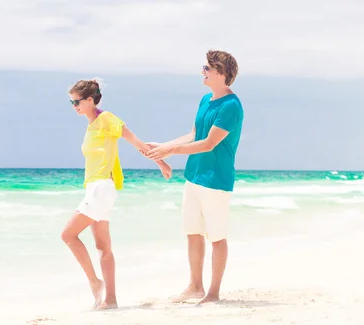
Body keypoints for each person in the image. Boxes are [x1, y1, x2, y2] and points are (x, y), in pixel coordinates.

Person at [61, 79, 172, 310]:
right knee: (103, 247)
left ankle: (95, 282)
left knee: (68, 235)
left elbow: (135, 141)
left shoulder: (107, 119)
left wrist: (160, 162)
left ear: (90, 100)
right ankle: (110, 301)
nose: (74, 106)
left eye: (77, 101)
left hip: (102, 187)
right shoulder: (91, 125)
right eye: (71, 102)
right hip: (96, 188)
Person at [146, 50, 243, 305]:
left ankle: (213, 292)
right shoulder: (205, 100)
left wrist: (171, 151)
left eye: (207, 68)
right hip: (194, 176)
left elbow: (209, 143)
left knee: (217, 237)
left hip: (216, 180)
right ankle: (195, 286)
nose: (203, 71)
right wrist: (164, 146)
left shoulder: (231, 106)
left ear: (221, 72)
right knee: (192, 232)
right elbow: (193, 134)